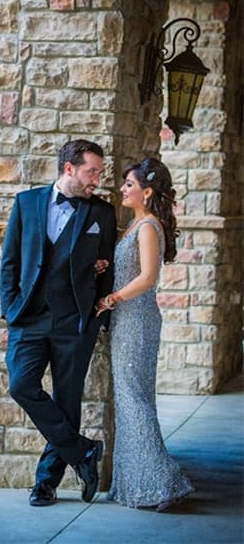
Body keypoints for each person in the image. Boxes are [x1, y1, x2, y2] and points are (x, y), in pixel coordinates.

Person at [0, 139, 117, 506]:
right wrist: (11, 309)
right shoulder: (26, 203)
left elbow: (107, 267)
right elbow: (10, 262)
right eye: (92, 171)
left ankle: (45, 483)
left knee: (68, 401)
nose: (97, 179)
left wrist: (100, 317)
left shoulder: (102, 213)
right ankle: (82, 451)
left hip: (75, 322)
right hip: (29, 318)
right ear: (69, 169)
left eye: (99, 172)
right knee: (21, 385)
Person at [95, 157, 194, 511]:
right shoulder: (136, 225)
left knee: (134, 400)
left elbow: (148, 277)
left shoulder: (148, 227)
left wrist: (111, 299)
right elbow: (130, 268)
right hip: (127, 319)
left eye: (129, 185)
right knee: (130, 399)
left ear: (147, 191)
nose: (122, 189)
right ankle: (136, 484)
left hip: (136, 320)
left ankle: (161, 483)